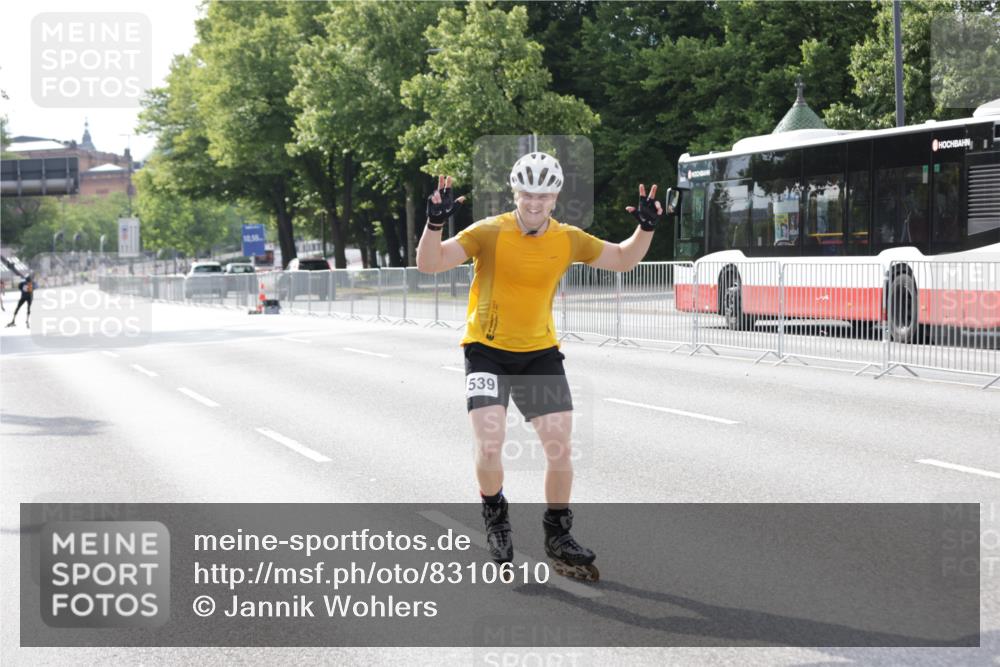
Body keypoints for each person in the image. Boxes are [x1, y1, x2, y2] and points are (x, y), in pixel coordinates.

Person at [416, 152, 663, 580]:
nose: (534, 202)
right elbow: (429, 263)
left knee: (559, 445)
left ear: (555, 197)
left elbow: (623, 259)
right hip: (487, 351)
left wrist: (646, 227)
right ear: (515, 193)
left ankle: (558, 533)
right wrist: (434, 224)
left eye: (543, 195)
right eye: (527, 193)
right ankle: (495, 515)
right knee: (490, 442)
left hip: (539, 354)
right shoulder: (489, 232)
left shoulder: (568, 239)